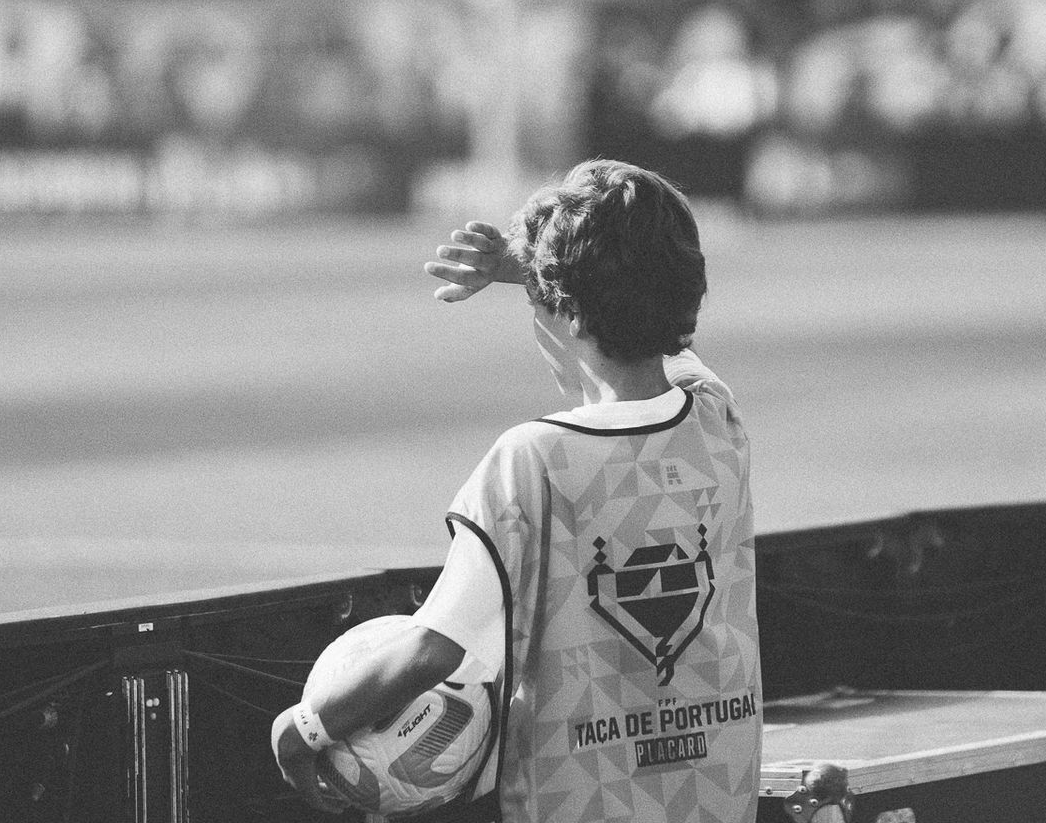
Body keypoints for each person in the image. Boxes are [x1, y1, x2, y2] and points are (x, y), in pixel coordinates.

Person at [272, 159, 762, 822]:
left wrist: (301, 732)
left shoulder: (529, 462)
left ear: (567, 314)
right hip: (715, 802)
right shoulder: (717, 417)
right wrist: (538, 273)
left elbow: (431, 651)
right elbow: (643, 311)